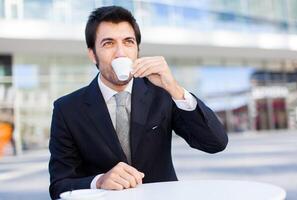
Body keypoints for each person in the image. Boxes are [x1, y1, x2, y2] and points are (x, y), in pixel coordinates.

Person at [48, 6, 228, 199]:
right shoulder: (67, 109)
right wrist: (99, 181)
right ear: (93, 54)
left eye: (128, 42)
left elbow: (215, 143)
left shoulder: (162, 94)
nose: (120, 53)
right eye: (108, 43)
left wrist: (174, 87)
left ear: (137, 50)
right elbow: (59, 185)